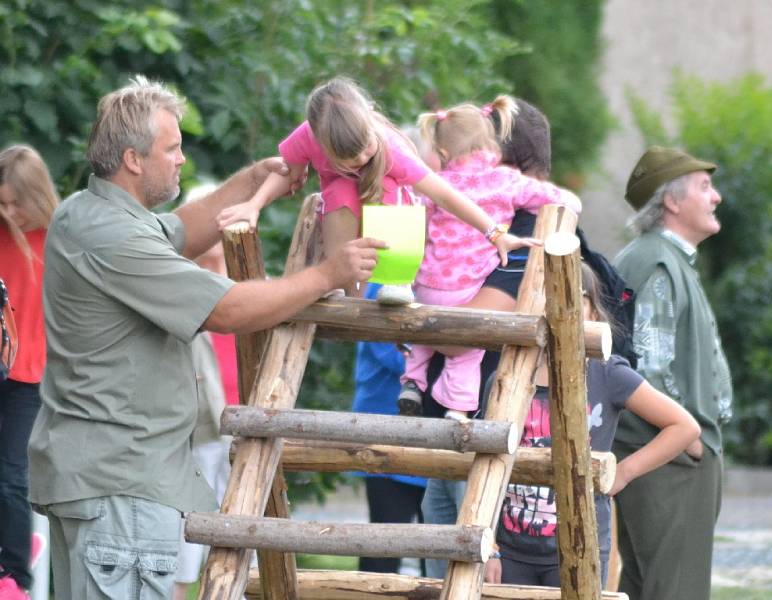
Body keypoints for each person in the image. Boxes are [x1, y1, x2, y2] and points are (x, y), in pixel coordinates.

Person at [26, 75, 385, 600]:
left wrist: (256, 179)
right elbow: (228, 308)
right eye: (171, 149)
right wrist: (327, 274)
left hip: (99, 477)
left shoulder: (87, 214)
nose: (181, 160)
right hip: (120, 484)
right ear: (132, 159)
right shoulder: (116, 237)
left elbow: (185, 229)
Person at [215, 77, 535, 303]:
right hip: (344, 225)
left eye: (366, 149)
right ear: (321, 143)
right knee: (341, 190)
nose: (361, 160)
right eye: (348, 159)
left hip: (394, 222)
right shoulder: (308, 136)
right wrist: (254, 204)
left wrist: (494, 232)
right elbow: (287, 173)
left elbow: (443, 194)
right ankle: (339, 278)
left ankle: (394, 279)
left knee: (380, 183)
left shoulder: (389, 146)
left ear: (370, 120)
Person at [484, 263, 701, 588]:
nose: (554, 305)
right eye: (543, 295)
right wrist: (491, 549)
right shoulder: (506, 377)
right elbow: (487, 465)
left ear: (593, 313)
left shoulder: (607, 373)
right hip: (511, 552)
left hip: (579, 545)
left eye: (570, 296)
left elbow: (683, 427)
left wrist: (623, 473)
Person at [397, 97, 581, 421]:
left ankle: (418, 384)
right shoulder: (508, 197)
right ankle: (454, 402)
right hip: (482, 411)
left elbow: (454, 336)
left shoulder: (528, 233)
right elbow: (460, 336)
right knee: (463, 350)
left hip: (428, 287)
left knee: (434, 326)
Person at [611, 146, 733, 600]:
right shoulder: (658, 263)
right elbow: (650, 368)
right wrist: (692, 441)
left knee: (648, 586)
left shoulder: (660, 258)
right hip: (671, 456)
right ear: (672, 202)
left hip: (667, 453)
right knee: (675, 589)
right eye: (705, 187)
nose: (716, 197)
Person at [172, 183, 239, 600]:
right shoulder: (177, 277)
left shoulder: (250, 277)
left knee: (240, 543)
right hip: (196, 429)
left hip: (244, 425)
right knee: (181, 546)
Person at [0, 145, 60, 600]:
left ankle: (17, 578)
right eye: (1, 202)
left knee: (12, 474)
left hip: (31, 375)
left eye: (14, 203)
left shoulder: (61, 236)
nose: (8, 212)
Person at [351, 283, 426, 576]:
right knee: (382, 550)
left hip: (433, 434)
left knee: (438, 553)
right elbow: (397, 355)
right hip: (386, 435)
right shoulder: (385, 284)